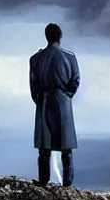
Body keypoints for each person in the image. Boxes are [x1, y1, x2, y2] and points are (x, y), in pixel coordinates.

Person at [29, 23, 80, 187]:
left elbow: (33, 85)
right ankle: (67, 184)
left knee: (44, 147)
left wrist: (40, 100)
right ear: (60, 36)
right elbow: (75, 80)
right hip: (63, 101)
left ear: (46, 36)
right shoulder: (70, 57)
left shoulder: (36, 58)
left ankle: (43, 181)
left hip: (44, 101)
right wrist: (66, 95)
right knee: (66, 148)